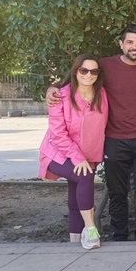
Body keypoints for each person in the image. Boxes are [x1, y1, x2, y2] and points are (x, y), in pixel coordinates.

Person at [48, 24, 136, 241]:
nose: (134, 47)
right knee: (117, 192)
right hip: (115, 140)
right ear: (121, 44)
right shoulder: (105, 66)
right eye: (129, 42)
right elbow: (78, 75)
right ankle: (120, 236)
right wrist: (53, 87)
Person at [39, 54, 108, 249]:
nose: (88, 75)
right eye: (83, 70)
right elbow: (58, 134)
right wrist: (78, 158)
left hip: (86, 156)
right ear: (76, 71)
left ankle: (75, 240)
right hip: (57, 153)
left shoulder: (102, 94)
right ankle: (91, 229)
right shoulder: (60, 96)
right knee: (84, 176)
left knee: (76, 191)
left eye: (94, 71)